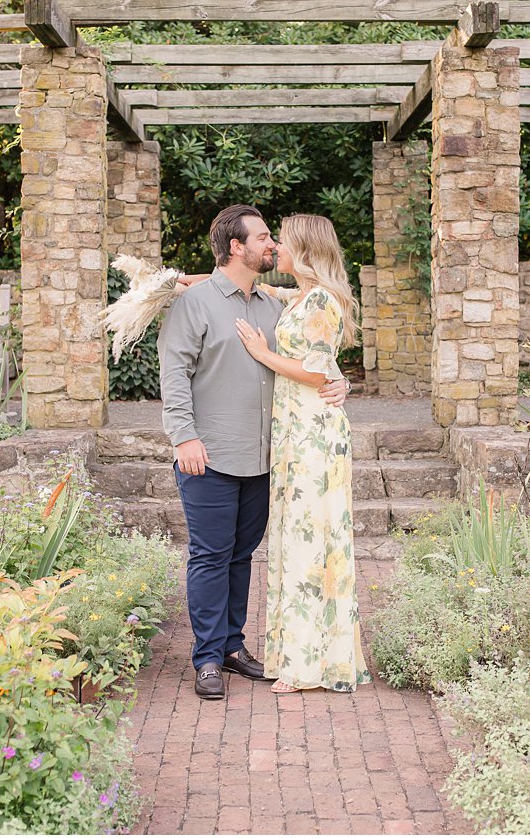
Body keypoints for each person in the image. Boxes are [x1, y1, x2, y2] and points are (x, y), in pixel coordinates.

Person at [157, 205, 349, 701]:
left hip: (267, 458)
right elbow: (174, 374)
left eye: (274, 237)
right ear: (236, 247)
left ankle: (231, 647)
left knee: (242, 556)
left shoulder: (271, 302)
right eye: (263, 238)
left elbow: (312, 352)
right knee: (210, 556)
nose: (272, 245)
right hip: (210, 454)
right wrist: (183, 437)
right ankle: (205, 659)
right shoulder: (195, 304)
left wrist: (338, 379)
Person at [234, 214, 371, 694]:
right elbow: (256, 289)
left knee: (311, 540)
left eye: (283, 243)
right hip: (296, 433)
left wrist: (261, 352)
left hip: (315, 433)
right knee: (295, 537)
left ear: (306, 251)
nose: (276, 250)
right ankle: (297, 654)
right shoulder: (301, 296)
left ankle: (309, 665)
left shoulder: (321, 301)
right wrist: (173, 283)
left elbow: (317, 373)